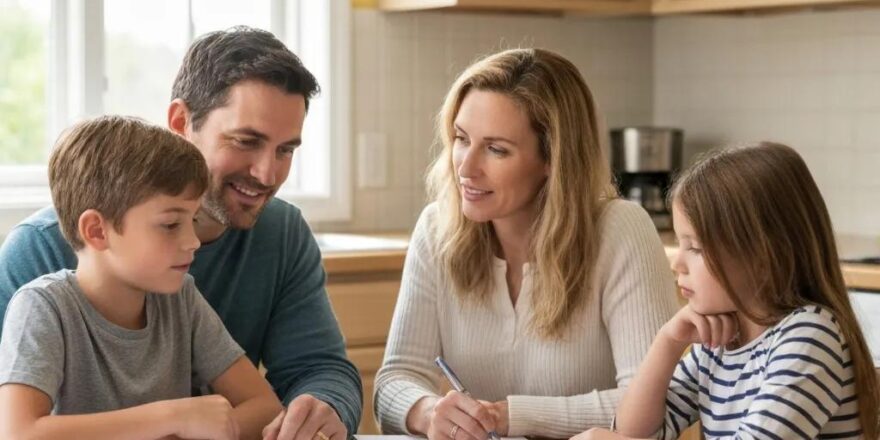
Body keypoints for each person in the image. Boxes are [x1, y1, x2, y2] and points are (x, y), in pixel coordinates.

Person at [0, 27, 361, 440]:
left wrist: (322, 407)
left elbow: (316, 370)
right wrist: (172, 420)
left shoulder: (271, 240)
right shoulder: (39, 252)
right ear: (180, 123)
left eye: (286, 150)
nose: (267, 174)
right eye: (246, 141)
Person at [373, 48, 680, 439]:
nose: (465, 166)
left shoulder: (621, 231)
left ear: (554, 158)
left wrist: (508, 416)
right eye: (461, 139)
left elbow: (653, 405)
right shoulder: (437, 229)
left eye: (496, 149)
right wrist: (429, 411)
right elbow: (395, 380)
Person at [0, 116, 282, 439]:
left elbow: (265, 407)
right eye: (171, 225)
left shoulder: (181, 299)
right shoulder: (42, 308)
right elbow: (17, 433)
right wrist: (172, 417)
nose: (192, 241)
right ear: (96, 231)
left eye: (192, 220)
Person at [575, 142, 879, 440]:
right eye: (680, 244)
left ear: (764, 257)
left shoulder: (809, 336)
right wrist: (667, 342)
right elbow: (633, 432)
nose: (678, 264)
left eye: (695, 248)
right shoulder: (719, 341)